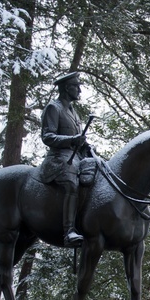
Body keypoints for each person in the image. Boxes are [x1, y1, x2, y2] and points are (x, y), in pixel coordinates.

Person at [39, 71, 92, 247]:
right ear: (67, 88)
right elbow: (47, 137)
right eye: (77, 86)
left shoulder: (73, 112)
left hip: (75, 157)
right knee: (72, 184)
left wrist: (84, 145)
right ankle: (69, 231)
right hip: (58, 158)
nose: (79, 90)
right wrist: (72, 140)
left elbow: (76, 138)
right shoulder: (54, 108)